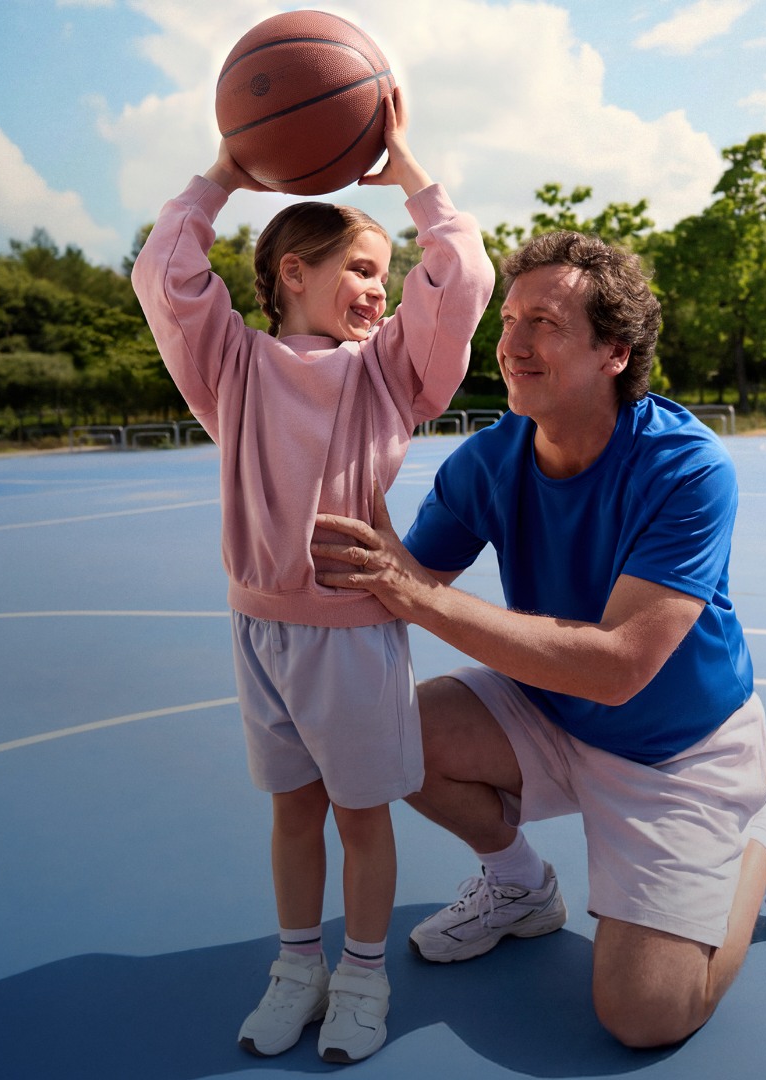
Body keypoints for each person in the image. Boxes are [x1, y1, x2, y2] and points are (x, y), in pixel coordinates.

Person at [311, 230, 766, 1049]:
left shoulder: (686, 468)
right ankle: (521, 889)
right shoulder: (486, 463)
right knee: (386, 736)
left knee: (646, 1015)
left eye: (544, 324)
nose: (511, 345)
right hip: (551, 711)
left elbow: (622, 666)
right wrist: (335, 514)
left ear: (615, 353)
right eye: (509, 319)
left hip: (675, 750)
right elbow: (403, 582)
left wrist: (412, 594)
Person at [131, 89, 494, 1064]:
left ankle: (364, 977)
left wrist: (409, 172)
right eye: (363, 269)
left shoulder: (389, 376)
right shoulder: (233, 371)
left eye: (384, 274)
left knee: (359, 815)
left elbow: (461, 279)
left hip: (349, 632)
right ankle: (299, 967)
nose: (382, 289)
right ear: (293, 273)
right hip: (260, 630)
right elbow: (165, 274)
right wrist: (221, 173)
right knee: (294, 810)